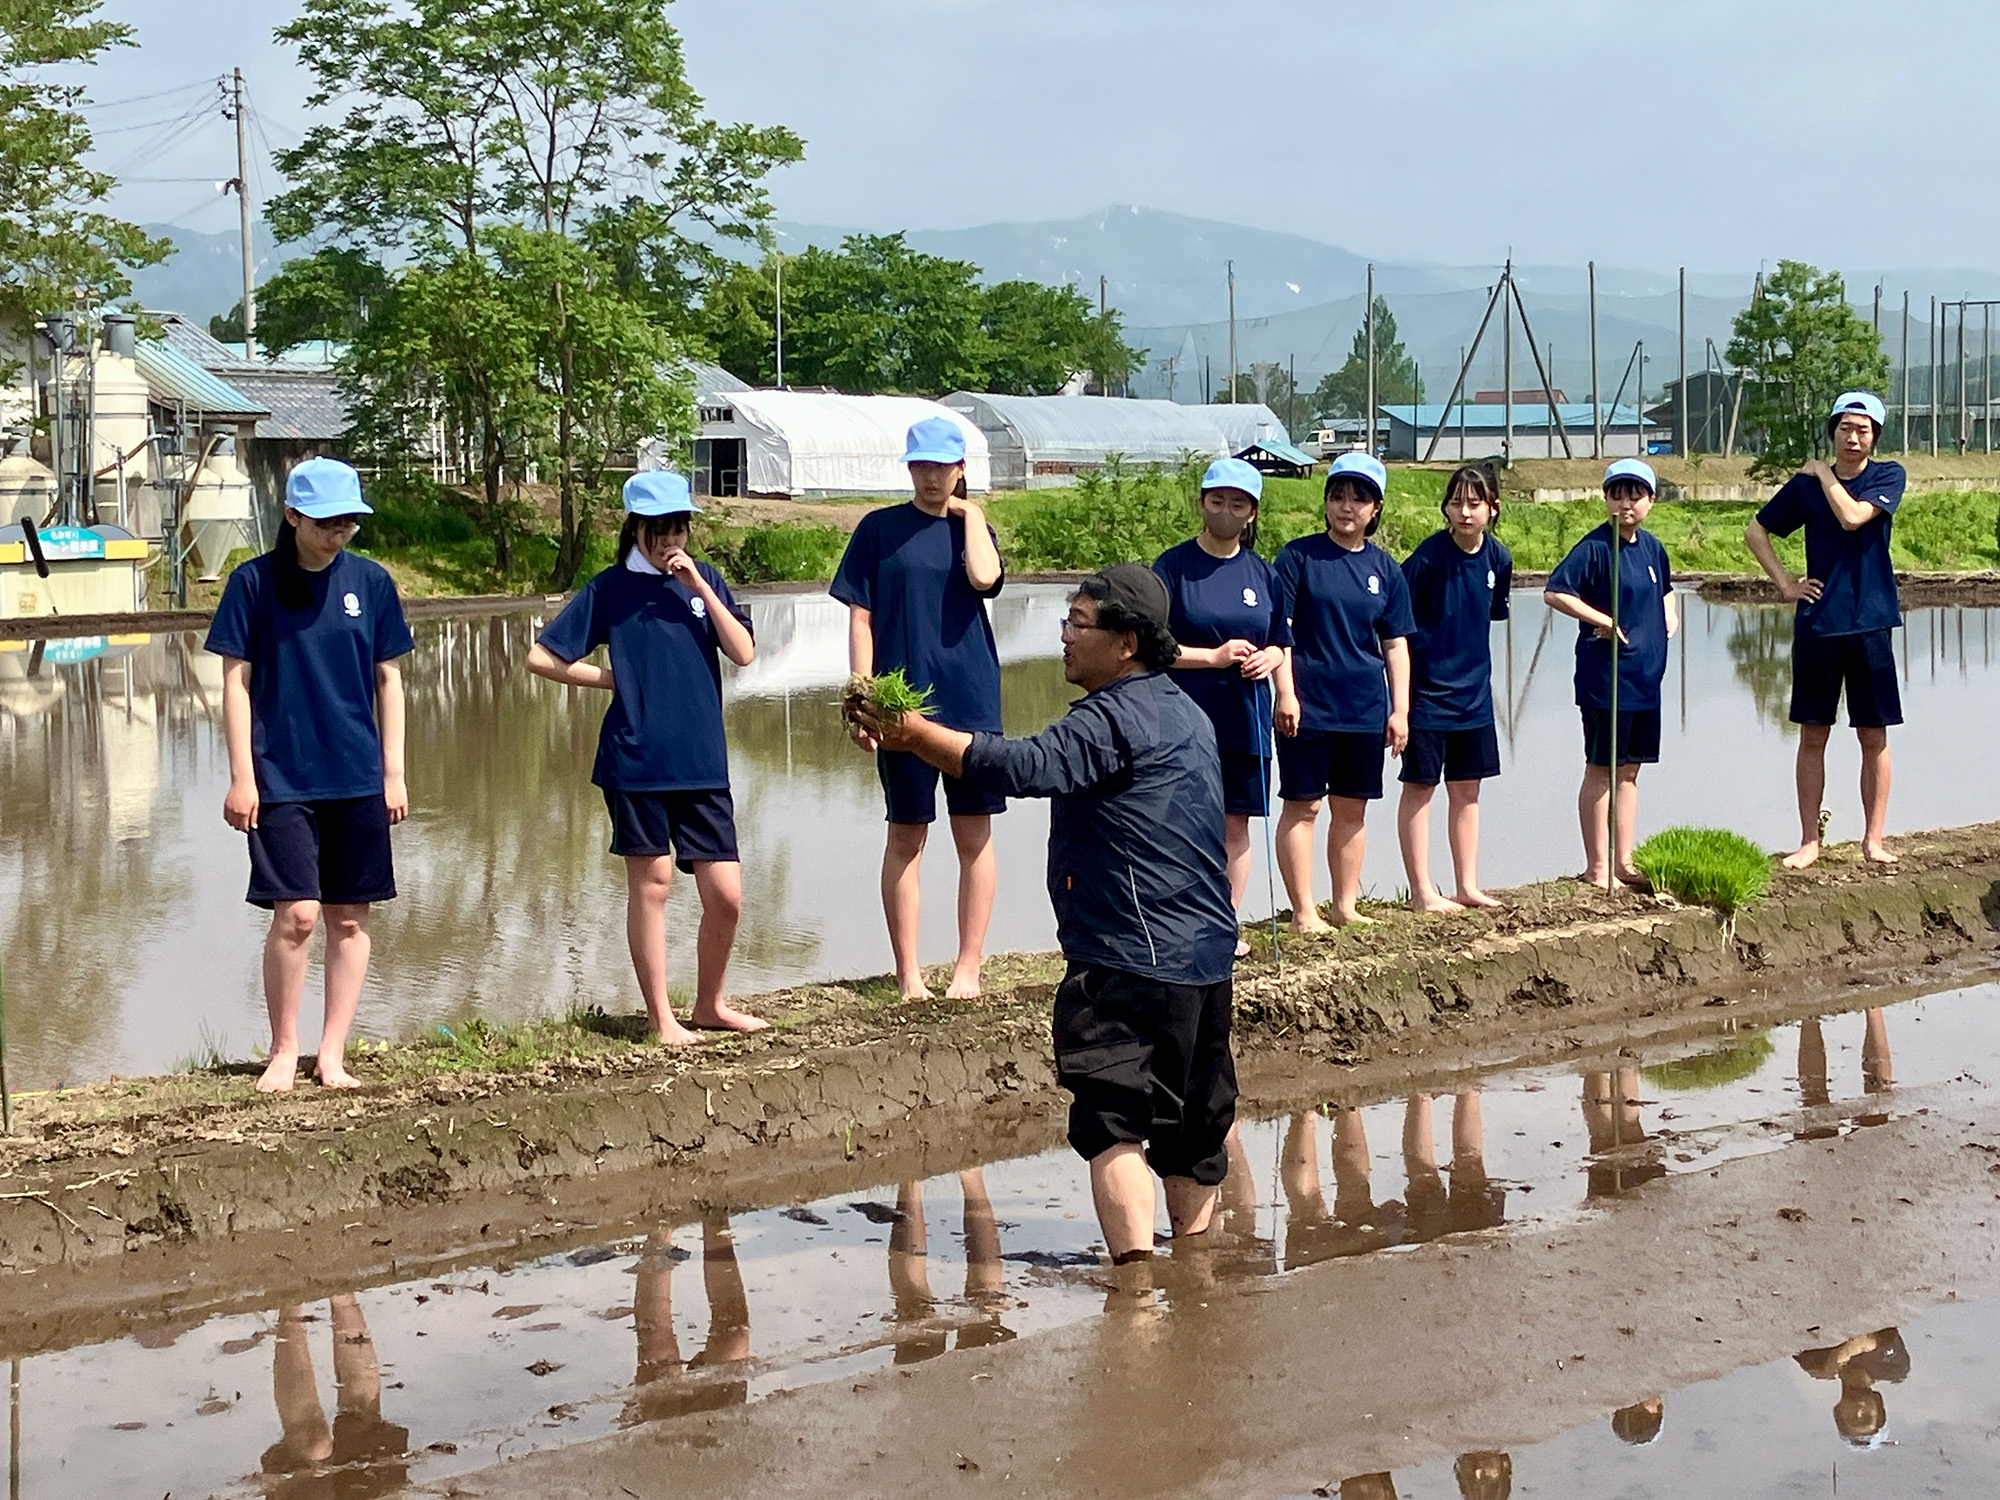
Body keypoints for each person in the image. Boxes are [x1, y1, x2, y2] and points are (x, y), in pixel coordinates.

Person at [852, 565, 1237, 1266]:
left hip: (1127, 959)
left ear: (1125, 642)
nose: (1065, 636)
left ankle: (1137, 1291)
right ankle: (1194, 1277)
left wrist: (918, 736)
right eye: (1067, 621)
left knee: (1114, 1121)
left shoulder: (1111, 718)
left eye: (1078, 623)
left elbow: (1024, 766)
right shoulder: (1189, 712)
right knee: (1192, 1131)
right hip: (1206, 961)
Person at [527, 471, 765, 1045]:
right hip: (635, 759)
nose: (669, 541)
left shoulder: (705, 581)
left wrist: (699, 586)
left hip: (702, 761)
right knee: (653, 883)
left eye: (678, 528)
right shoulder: (609, 588)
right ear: (634, 528)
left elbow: (744, 653)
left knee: (726, 895)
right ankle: (662, 1020)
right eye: (658, 530)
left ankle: (710, 1005)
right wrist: (610, 678)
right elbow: (541, 657)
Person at [207, 457, 413, 1094]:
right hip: (281, 777)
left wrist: (394, 771)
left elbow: (390, 680)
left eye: (348, 522)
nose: (338, 533)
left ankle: (332, 1053)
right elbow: (235, 683)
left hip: (357, 775)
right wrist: (242, 776)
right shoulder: (252, 584)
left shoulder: (371, 583)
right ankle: (284, 1048)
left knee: (349, 918)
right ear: (292, 516)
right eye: (325, 522)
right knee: (297, 914)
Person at [832, 416, 1006, 1001]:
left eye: (943, 466)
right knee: (906, 833)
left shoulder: (972, 529)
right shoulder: (878, 529)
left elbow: (985, 579)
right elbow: (861, 617)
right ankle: (908, 974)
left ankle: (968, 968)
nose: (931, 477)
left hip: (970, 698)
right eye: (922, 466)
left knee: (974, 833)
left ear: (960, 469)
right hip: (899, 703)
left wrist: (971, 513)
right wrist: (862, 696)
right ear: (909, 468)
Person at [1743, 392, 1907, 868]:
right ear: (1832, 431)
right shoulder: (1804, 488)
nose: (1853, 438)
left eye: (1863, 430)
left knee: (1873, 734)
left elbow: (1853, 517)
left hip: (1871, 621)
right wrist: (1785, 584)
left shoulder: (1887, 476)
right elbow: (1756, 532)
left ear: (1875, 436)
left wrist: (1822, 472)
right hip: (1819, 623)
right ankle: (1809, 841)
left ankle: (1873, 839)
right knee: (1813, 734)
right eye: (1845, 428)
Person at [1153, 456, 1291, 953]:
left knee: (1236, 822)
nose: (1226, 512)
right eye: (1217, 502)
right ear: (1202, 504)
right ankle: (1180, 921)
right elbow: (1153, 646)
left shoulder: (1264, 573)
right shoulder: (1173, 567)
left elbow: (1281, 641)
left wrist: (1273, 662)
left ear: (1251, 513)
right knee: (1184, 822)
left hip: (1245, 717)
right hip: (1185, 717)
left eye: (1237, 505)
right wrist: (1211, 657)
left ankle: (1223, 924)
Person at [1272, 452, 1415, 929]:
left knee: (1351, 809)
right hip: (1308, 704)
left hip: (1364, 707)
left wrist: (1400, 710)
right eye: (1338, 496)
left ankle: (1345, 906)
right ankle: (1304, 910)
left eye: (1359, 498)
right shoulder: (1298, 558)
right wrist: (1286, 693)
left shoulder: (1386, 569)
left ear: (1376, 509)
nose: (1347, 507)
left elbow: (1395, 644)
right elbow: (1279, 632)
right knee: (1304, 806)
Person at [1544, 458, 1678, 888]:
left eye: (1635, 496)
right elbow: (1556, 592)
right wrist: (1602, 619)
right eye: (1616, 495)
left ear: (1651, 500)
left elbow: (1667, 589)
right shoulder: (1595, 548)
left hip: (1646, 679)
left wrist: (1670, 616)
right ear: (1605, 499)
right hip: (1608, 680)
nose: (1625, 504)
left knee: (1630, 771)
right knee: (1602, 768)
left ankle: (1625, 861)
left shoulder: (1652, 548)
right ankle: (1598, 866)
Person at [1398, 464, 1512, 912]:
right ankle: (1422, 891)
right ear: (1445, 507)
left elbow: (1492, 612)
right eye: (1457, 503)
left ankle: (1467, 885)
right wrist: (1400, 701)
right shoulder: (1427, 559)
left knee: (1467, 790)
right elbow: (1395, 627)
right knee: (1420, 788)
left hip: (1475, 697)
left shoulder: (1498, 558)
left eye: (1475, 503)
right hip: (1427, 696)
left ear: (1492, 509)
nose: (1465, 512)